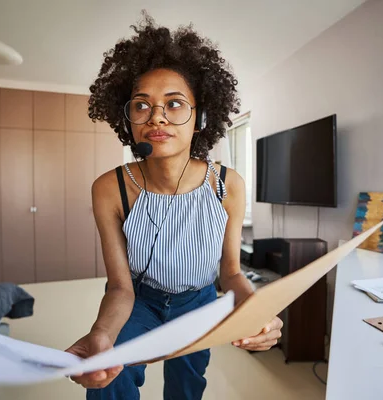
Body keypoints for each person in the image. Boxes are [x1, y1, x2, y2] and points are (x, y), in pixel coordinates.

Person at [65, 13, 283, 400]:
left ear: (201, 117)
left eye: (175, 103)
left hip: (199, 300)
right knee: (107, 377)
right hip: (138, 299)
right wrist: (101, 333)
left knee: (186, 388)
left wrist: (256, 315)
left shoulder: (226, 184)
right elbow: (119, 285)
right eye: (142, 105)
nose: (158, 116)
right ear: (128, 120)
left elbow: (231, 274)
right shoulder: (109, 188)